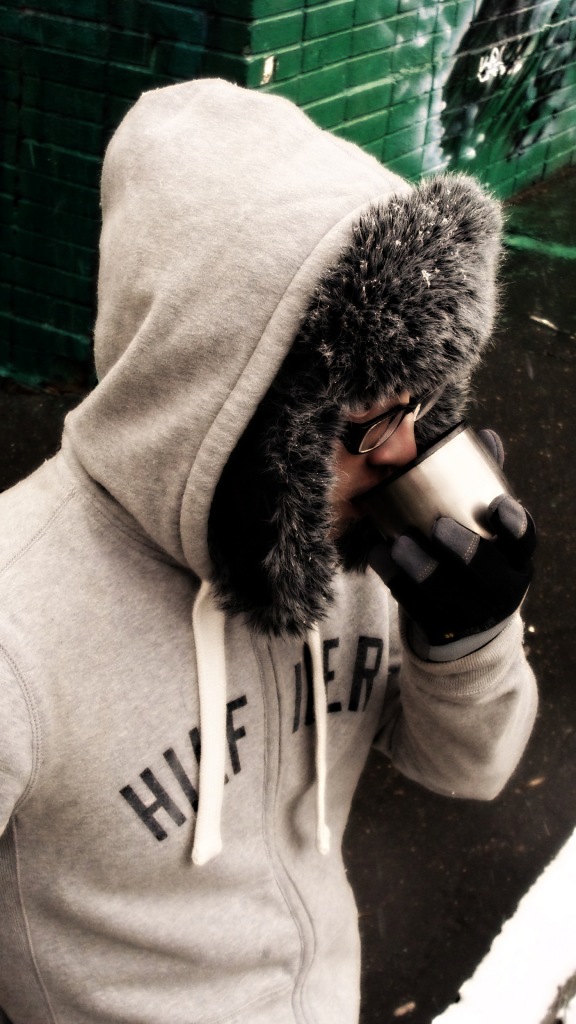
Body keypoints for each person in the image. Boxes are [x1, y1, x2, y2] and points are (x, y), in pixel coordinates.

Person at [0, 79, 537, 1024]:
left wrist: (469, 637)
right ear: (227, 411)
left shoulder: (350, 547)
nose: (404, 454)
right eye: (366, 422)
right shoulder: (17, 626)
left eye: (415, 407)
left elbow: (469, 769)